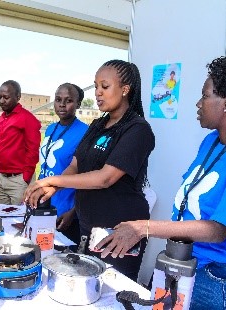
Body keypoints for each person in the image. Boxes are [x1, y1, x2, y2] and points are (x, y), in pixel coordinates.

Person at [96, 56, 226, 309]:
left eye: (205, 96)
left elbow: (218, 230)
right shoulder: (211, 142)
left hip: (217, 278)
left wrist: (142, 228)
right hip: (185, 263)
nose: (198, 103)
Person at [25, 60, 156, 281]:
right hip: (87, 226)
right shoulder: (96, 125)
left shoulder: (138, 129)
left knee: (112, 293)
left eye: (105, 87)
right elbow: (75, 165)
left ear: (125, 90)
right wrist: (52, 187)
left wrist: (53, 181)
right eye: (96, 87)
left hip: (118, 232)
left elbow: (106, 178)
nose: (97, 93)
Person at [38, 83, 88, 244]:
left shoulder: (85, 132)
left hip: (65, 212)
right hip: (43, 204)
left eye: (68, 100)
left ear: (78, 104)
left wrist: (73, 212)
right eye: (58, 99)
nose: (62, 104)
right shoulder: (50, 128)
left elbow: (87, 178)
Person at [0, 80, 41, 205]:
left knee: (19, 222)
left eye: (6, 97)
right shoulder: (2, 117)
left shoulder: (28, 119)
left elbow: (33, 150)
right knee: (0, 218)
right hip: (1, 178)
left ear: (18, 97)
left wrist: (25, 177)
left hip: (19, 180)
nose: (1, 101)